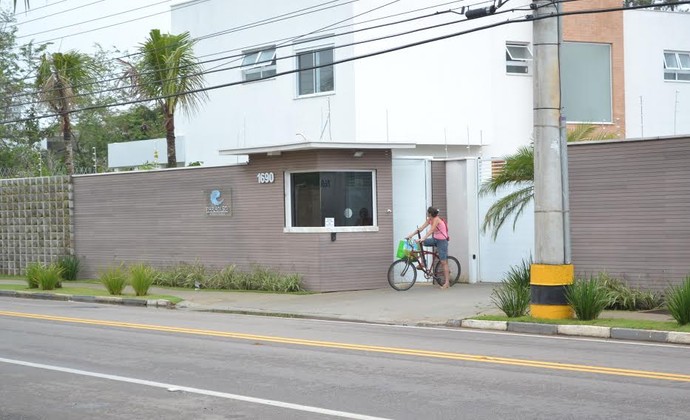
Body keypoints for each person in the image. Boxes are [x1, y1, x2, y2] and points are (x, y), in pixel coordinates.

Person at [405, 206, 450, 288]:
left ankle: (447, 283)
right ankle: (423, 263)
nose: (427, 214)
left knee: (443, 262)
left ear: (430, 213)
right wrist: (410, 235)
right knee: (419, 243)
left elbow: (431, 230)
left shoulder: (436, 219)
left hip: (442, 241)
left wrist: (423, 238)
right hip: (435, 239)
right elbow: (421, 228)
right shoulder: (430, 219)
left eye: (428, 212)